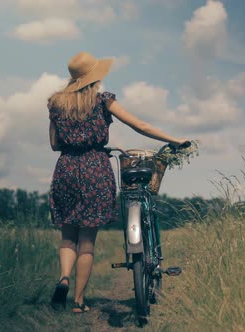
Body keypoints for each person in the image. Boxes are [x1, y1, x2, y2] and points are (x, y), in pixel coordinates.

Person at [48, 51, 189, 313]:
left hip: (66, 169)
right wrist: (173, 140)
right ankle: (78, 303)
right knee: (87, 241)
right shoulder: (103, 101)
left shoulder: (56, 104)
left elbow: (55, 144)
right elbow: (140, 125)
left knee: (68, 237)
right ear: (94, 77)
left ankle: (64, 278)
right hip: (95, 170)